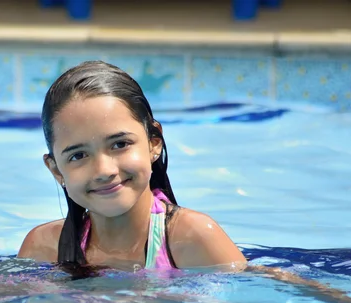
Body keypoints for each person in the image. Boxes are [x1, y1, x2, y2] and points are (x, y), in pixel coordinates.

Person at [18, 60, 246, 272]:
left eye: (120, 144)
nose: (104, 170)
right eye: (78, 155)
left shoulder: (192, 239)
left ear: (153, 143)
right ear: (57, 170)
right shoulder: (44, 248)